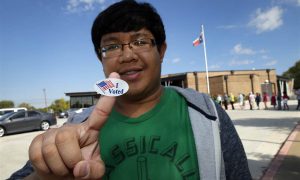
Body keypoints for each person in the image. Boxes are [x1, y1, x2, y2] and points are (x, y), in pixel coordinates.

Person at [10, 1, 251, 180]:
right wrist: (45, 174)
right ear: (99, 58)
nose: (127, 55)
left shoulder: (208, 115)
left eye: (140, 41)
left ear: (162, 50)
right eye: (112, 46)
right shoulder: (78, 129)